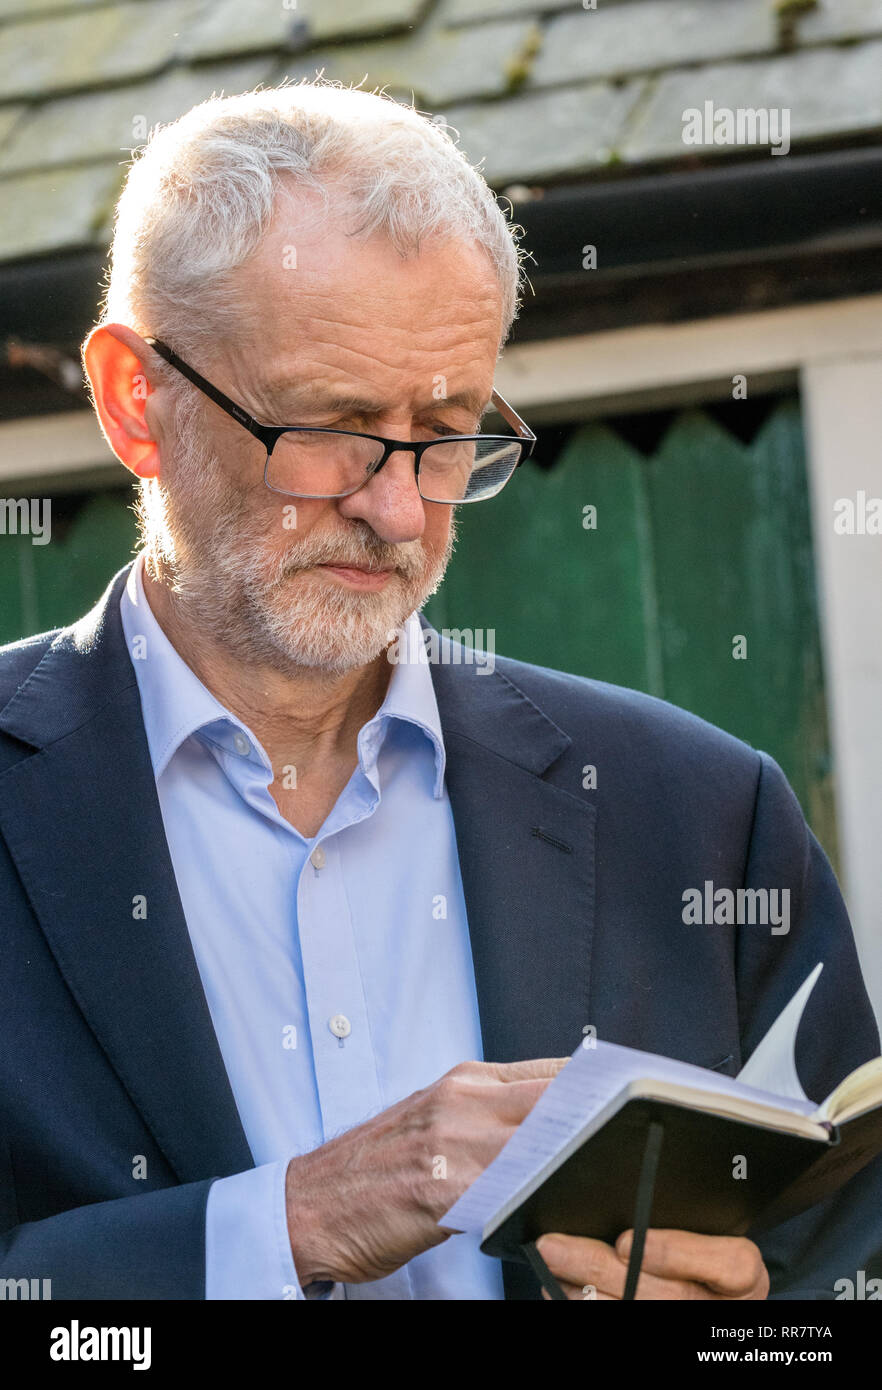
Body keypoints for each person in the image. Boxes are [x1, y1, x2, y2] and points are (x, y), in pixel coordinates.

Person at [0, 81, 879, 1300]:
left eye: (449, 426)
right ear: (133, 400)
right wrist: (289, 1227)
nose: (400, 508)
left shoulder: (705, 813)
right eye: (332, 424)